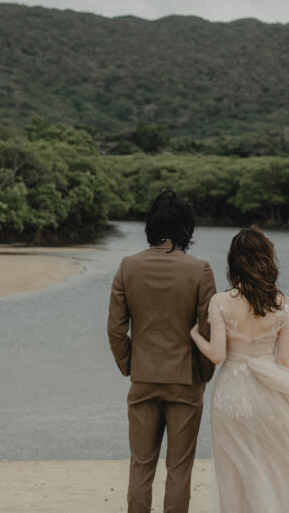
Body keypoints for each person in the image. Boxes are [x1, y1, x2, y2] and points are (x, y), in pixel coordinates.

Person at [191, 226, 289, 512]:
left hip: (231, 395)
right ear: (267, 260)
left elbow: (217, 356)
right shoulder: (283, 305)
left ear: (233, 262)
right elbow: (285, 361)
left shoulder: (220, 302)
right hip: (270, 393)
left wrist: (195, 335)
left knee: (234, 474)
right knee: (270, 470)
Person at [107, 190, 218, 513]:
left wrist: (131, 366)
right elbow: (207, 327)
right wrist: (202, 373)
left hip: (143, 378)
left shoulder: (128, 266)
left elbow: (116, 329)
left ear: (151, 226)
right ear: (187, 228)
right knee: (179, 469)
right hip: (185, 381)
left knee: (141, 465)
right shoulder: (200, 270)